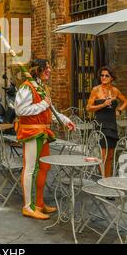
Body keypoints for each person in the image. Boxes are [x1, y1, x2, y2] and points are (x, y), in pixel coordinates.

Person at [14, 59, 76, 220]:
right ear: (38, 69)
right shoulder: (26, 87)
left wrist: (65, 120)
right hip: (32, 132)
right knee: (30, 169)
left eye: (49, 67)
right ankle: (28, 206)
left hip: (44, 132)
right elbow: (20, 110)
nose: (49, 70)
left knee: (44, 167)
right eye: (46, 67)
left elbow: (51, 110)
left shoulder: (42, 88)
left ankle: (39, 203)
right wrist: (43, 103)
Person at [87, 66, 127, 177]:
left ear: (111, 78)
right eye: (102, 75)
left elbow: (125, 101)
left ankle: (108, 180)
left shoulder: (115, 90)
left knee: (110, 156)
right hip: (101, 124)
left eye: (106, 75)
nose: (103, 77)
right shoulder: (96, 90)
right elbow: (88, 107)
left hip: (112, 125)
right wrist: (103, 104)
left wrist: (119, 110)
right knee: (103, 156)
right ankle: (103, 180)